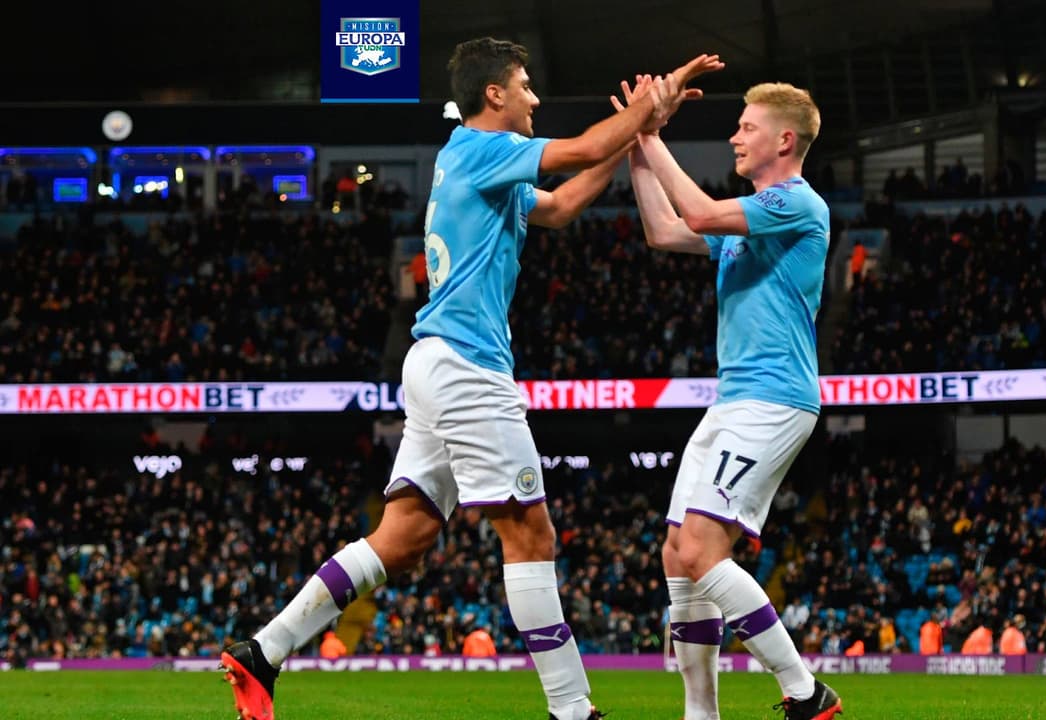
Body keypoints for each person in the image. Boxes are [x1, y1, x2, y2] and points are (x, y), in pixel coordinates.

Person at [219, 37, 722, 720]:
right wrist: (642, 114)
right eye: (525, 85)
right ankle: (574, 711)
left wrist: (637, 139)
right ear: (495, 96)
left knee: (404, 538)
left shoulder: (489, 171)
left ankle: (263, 652)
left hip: (435, 363)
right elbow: (574, 151)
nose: (535, 98)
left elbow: (565, 202)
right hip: (466, 366)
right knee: (531, 536)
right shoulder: (479, 150)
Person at [616, 78, 839, 719]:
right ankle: (701, 713)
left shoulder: (797, 203)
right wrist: (636, 145)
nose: (735, 135)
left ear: (785, 139)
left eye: (747, 126)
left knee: (701, 550)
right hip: (733, 399)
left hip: (775, 399)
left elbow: (700, 215)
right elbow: (664, 229)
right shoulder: (749, 219)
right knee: (676, 555)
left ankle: (805, 691)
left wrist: (653, 135)